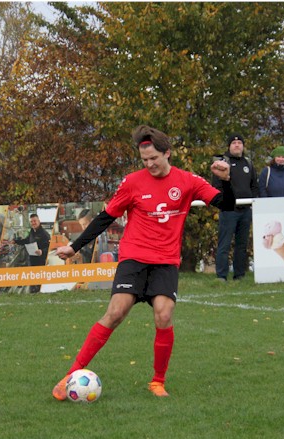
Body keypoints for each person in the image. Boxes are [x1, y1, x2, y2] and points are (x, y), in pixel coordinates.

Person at [51, 125, 235, 399]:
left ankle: (157, 382)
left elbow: (227, 205)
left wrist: (226, 180)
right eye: (144, 160)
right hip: (134, 257)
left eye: (154, 158)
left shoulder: (188, 181)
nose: (149, 164)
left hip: (166, 261)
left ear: (167, 153)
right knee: (116, 312)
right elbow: (106, 217)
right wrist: (74, 246)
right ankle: (71, 375)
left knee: (164, 314)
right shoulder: (132, 182)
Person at [212, 133, 258, 281]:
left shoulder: (248, 163)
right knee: (224, 244)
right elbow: (216, 186)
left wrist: (254, 202)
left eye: (240, 143)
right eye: (234, 143)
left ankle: (239, 275)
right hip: (229, 210)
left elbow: (254, 185)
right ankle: (221, 276)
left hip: (246, 210)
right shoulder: (222, 163)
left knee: (242, 245)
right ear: (229, 146)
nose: (237, 145)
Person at [13, 213, 51, 293]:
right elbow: (27, 240)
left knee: (39, 282)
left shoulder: (44, 234)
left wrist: (42, 251)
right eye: (31, 221)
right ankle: (33, 291)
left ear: (39, 221)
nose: (33, 223)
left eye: (34, 221)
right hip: (32, 260)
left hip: (40, 262)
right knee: (33, 281)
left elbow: (49, 247)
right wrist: (16, 241)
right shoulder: (32, 231)